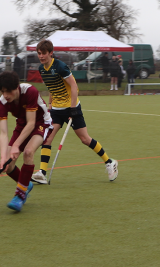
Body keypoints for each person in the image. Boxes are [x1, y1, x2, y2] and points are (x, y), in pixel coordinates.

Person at [33, 39, 118, 184]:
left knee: (85, 139)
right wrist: (49, 106)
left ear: (51, 53)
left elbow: (74, 86)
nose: (41, 56)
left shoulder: (60, 66)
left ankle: (110, 162)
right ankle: (42, 172)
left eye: (44, 53)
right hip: (56, 110)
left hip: (71, 108)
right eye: (39, 53)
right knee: (47, 138)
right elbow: (52, 87)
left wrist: (72, 108)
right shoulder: (42, 69)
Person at [0, 71, 47, 212]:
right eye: (3, 91)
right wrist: (2, 157)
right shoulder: (2, 103)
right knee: (8, 165)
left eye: (9, 91)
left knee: (28, 152)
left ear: (17, 87)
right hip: (22, 125)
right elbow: (3, 133)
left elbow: (31, 123)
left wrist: (16, 145)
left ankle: (19, 195)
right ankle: (25, 184)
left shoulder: (30, 91)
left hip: (41, 123)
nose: (6, 95)